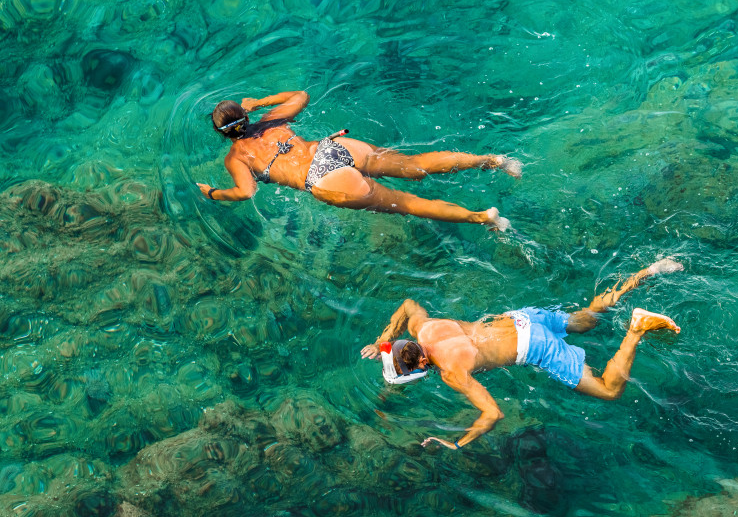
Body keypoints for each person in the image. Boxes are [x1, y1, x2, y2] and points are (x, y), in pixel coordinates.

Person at [360, 258, 684, 449]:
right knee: (586, 320)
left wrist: (457, 443)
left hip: (535, 345)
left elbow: (493, 414)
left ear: (421, 364)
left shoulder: (451, 373)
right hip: (522, 318)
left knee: (609, 390)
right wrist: (382, 341)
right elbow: (408, 306)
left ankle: (637, 328)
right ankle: (644, 274)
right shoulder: (424, 327)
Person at [197, 90, 521, 230]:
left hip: (323, 179)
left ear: (221, 134)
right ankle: (492, 160)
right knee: (413, 164)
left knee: (408, 203)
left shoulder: (236, 157)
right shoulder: (271, 120)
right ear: (245, 116)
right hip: (332, 148)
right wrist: (258, 103)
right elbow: (301, 96)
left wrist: (213, 193)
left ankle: (483, 217)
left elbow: (246, 192)